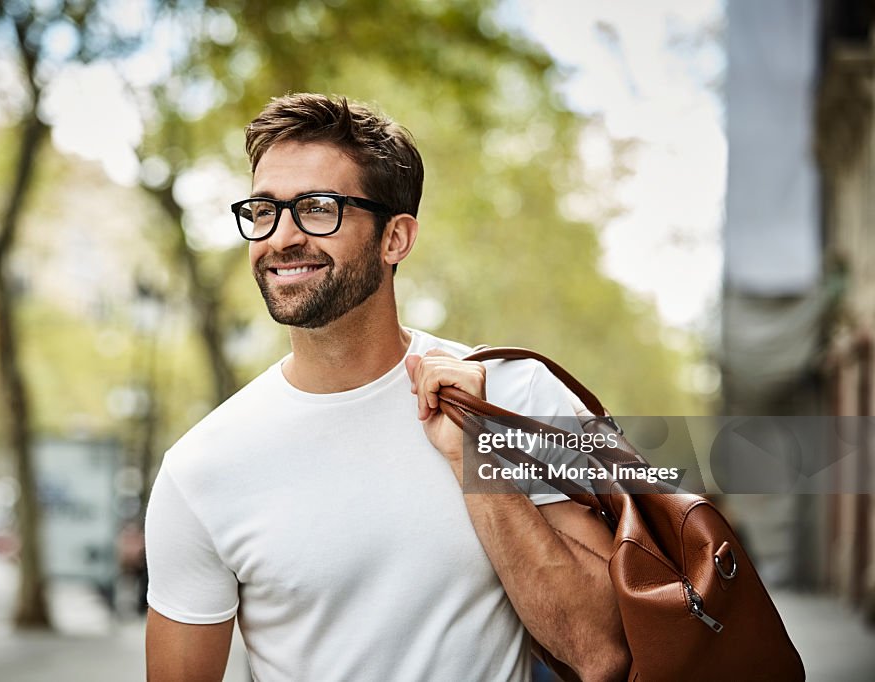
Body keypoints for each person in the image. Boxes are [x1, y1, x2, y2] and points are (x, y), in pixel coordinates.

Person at [144, 93, 630, 681]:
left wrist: (480, 465)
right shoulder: (201, 469)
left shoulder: (513, 395)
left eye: (318, 208)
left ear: (395, 238)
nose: (281, 238)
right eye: (264, 210)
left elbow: (602, 651)